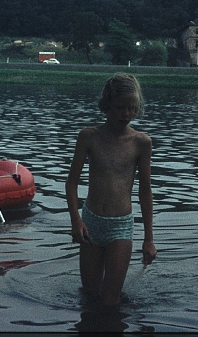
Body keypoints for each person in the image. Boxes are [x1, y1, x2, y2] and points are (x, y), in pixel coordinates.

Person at [66, 72, 156, 306]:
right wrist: (76, 220)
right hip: (91, 222)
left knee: (109, 301)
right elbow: (71, 182)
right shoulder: (89, 137)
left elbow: (145, 191)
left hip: (120, 226)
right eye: (120, 108)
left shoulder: (141, 142)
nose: (126, 114)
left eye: (131, 108)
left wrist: (149, 239)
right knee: (89, 294)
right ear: (107, 105)